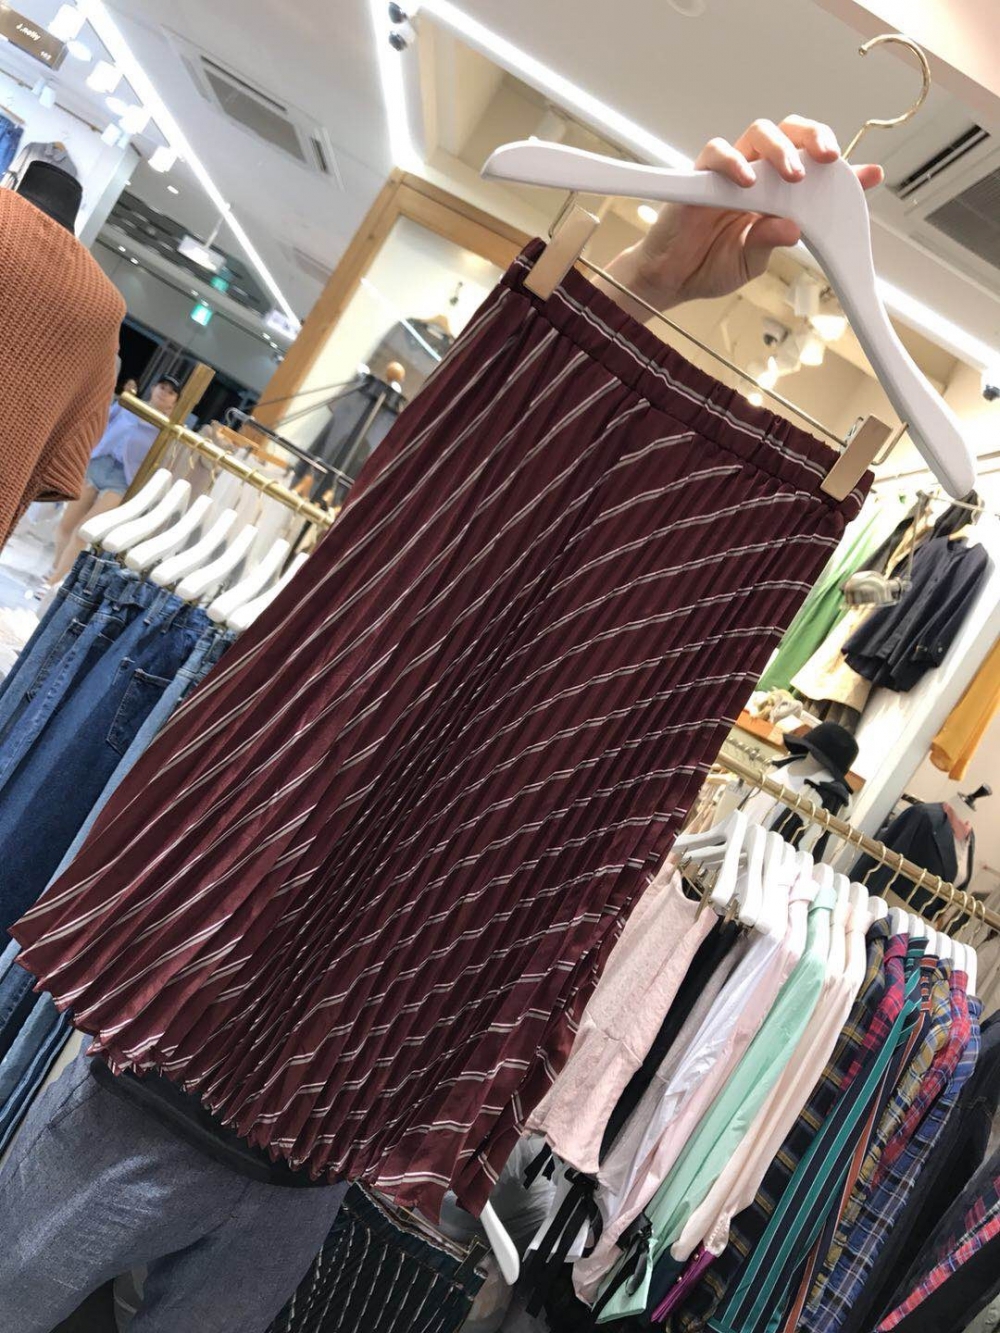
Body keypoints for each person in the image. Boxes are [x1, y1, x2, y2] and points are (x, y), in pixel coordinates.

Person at [0, 116, 883, 1333]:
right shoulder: (494, 493)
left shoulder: (731, 568)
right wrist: (644, 283)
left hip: (320, 1142)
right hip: (163, 1085)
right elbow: (434, 552)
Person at [48, 375, 181, 586]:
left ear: (175, 402)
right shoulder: (128, 405)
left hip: (122, 479)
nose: (164, 393)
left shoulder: (166, 429)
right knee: (66, 524)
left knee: (84, 530)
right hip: (98, 464)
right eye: (162, 387)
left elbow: (160, 463)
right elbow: (102, 423)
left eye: (171, 392)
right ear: (153, 387)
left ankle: (53, 581)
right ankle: (56, 569)